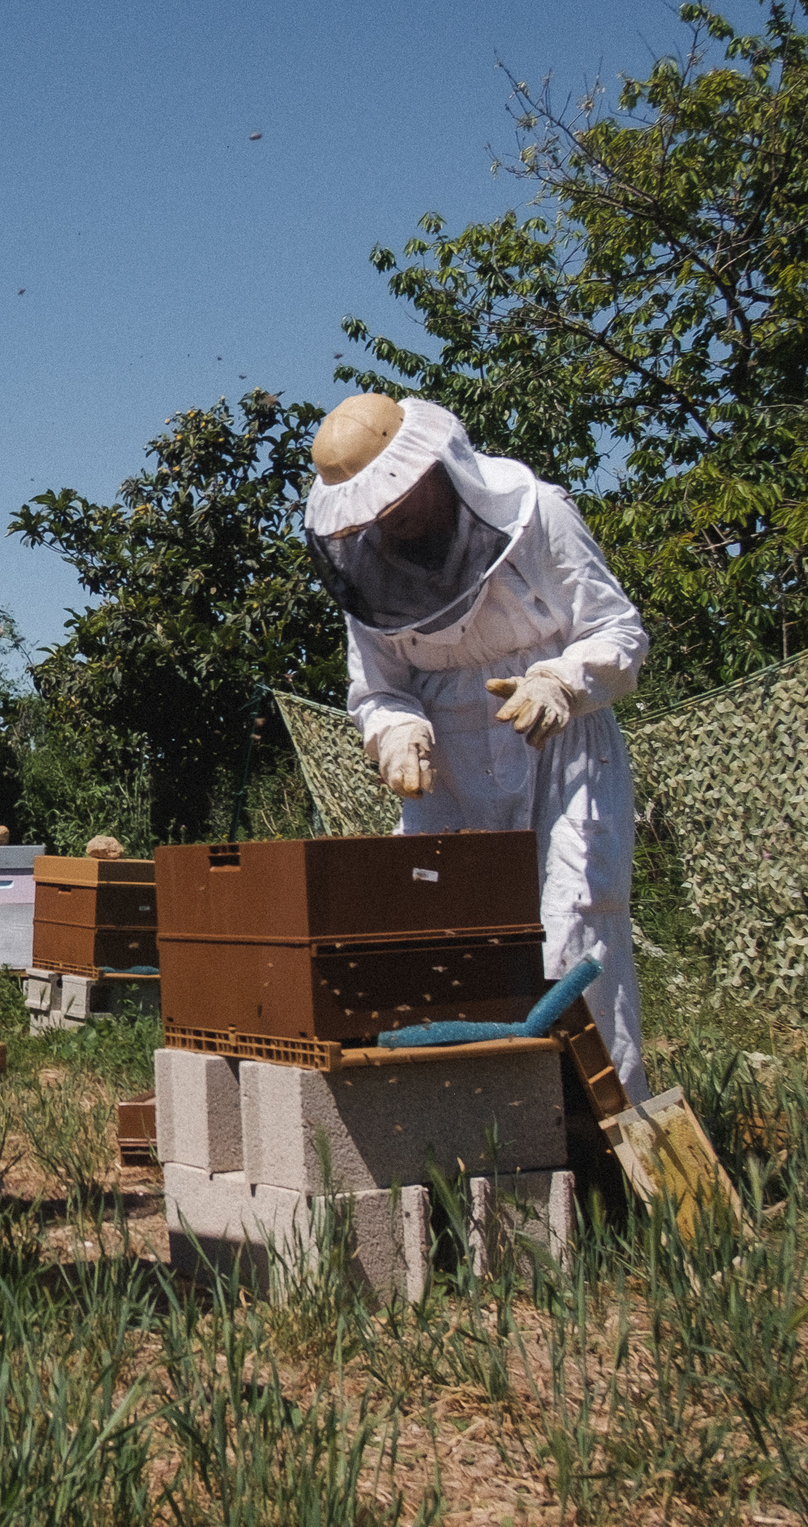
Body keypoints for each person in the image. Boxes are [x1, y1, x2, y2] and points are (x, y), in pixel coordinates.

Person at [302, 393, 652, 1101]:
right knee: (442, 936)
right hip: (450, 772)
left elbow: (619, 631)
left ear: (436, 470)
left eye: (399, 501)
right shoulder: (365, 570)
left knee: (575, 928)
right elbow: (377, 689)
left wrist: (562, 680)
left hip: (560, 749)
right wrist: (395, 730)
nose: (391, 522)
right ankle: (485, 1123)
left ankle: (607, 1125)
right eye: (375, 512)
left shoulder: (537, 510)